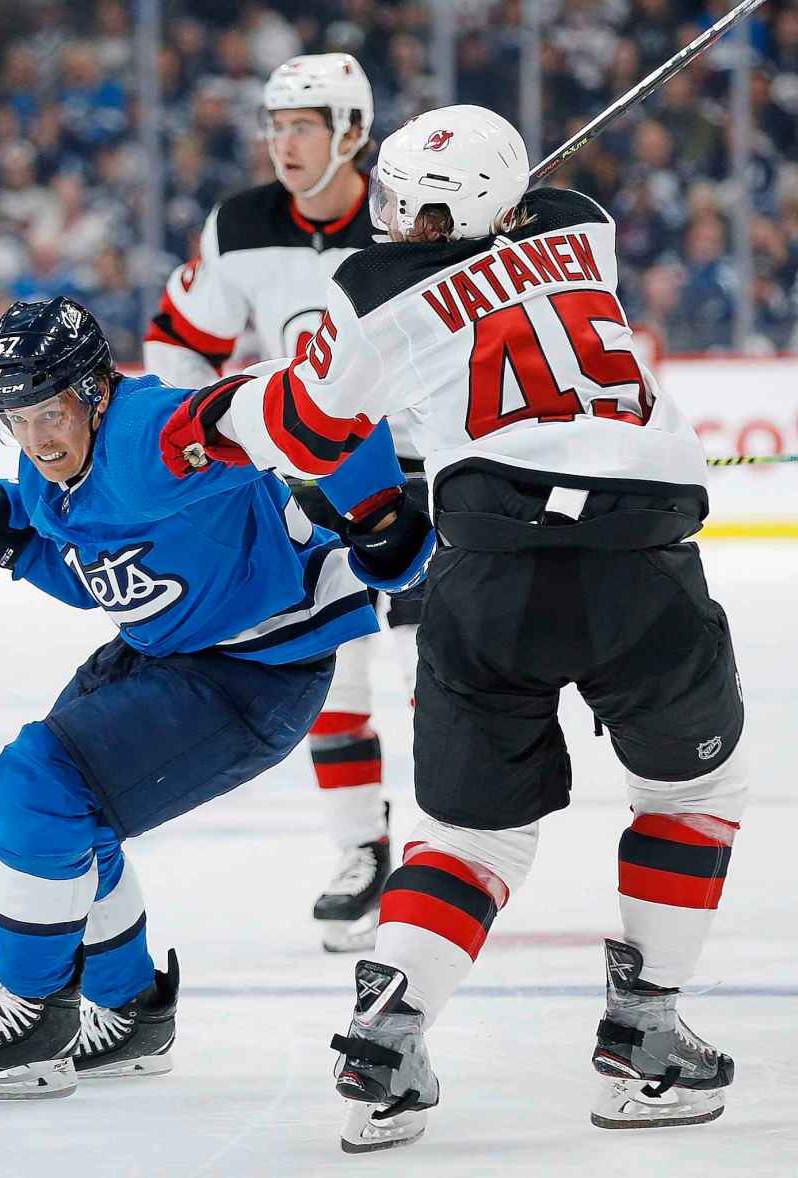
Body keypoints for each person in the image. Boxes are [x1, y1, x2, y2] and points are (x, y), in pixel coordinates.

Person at [161, 106, 747, 1149]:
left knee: (472, 836)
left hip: (486, 573)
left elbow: (304, 429)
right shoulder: (584, 228)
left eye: (399, 199)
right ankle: (646, 1040)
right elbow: (536, 218)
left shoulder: (371, 289)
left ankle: (386, 1042)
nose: (385, 214)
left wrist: (213, 416)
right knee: (692, 794)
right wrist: (492, 217)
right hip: (642, 564)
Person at [0, 296, 433, 1101]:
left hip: (255, 671)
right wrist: (1, 530)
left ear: (93, 394)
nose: (37, 439)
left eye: (49, 413)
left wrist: (380, 509)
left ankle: (35, 1014)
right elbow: (102, 572)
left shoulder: (158, 435)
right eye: (16, 419)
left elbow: (318, 398)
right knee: (67, 816)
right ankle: (130, 1014)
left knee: (38, 782)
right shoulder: (49, 467)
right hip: (175, 651)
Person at [145, 53, 425, 954]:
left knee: (434, 668)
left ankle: (443, 851)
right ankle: (360, 851)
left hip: (416, 471)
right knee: (330, 666)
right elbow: (179, 338)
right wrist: (209, 435)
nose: (284, 143)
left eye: (304, 125)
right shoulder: (240, 224)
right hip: (304, 475)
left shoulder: (406, 216)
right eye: (275, 125)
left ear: (354, 133)